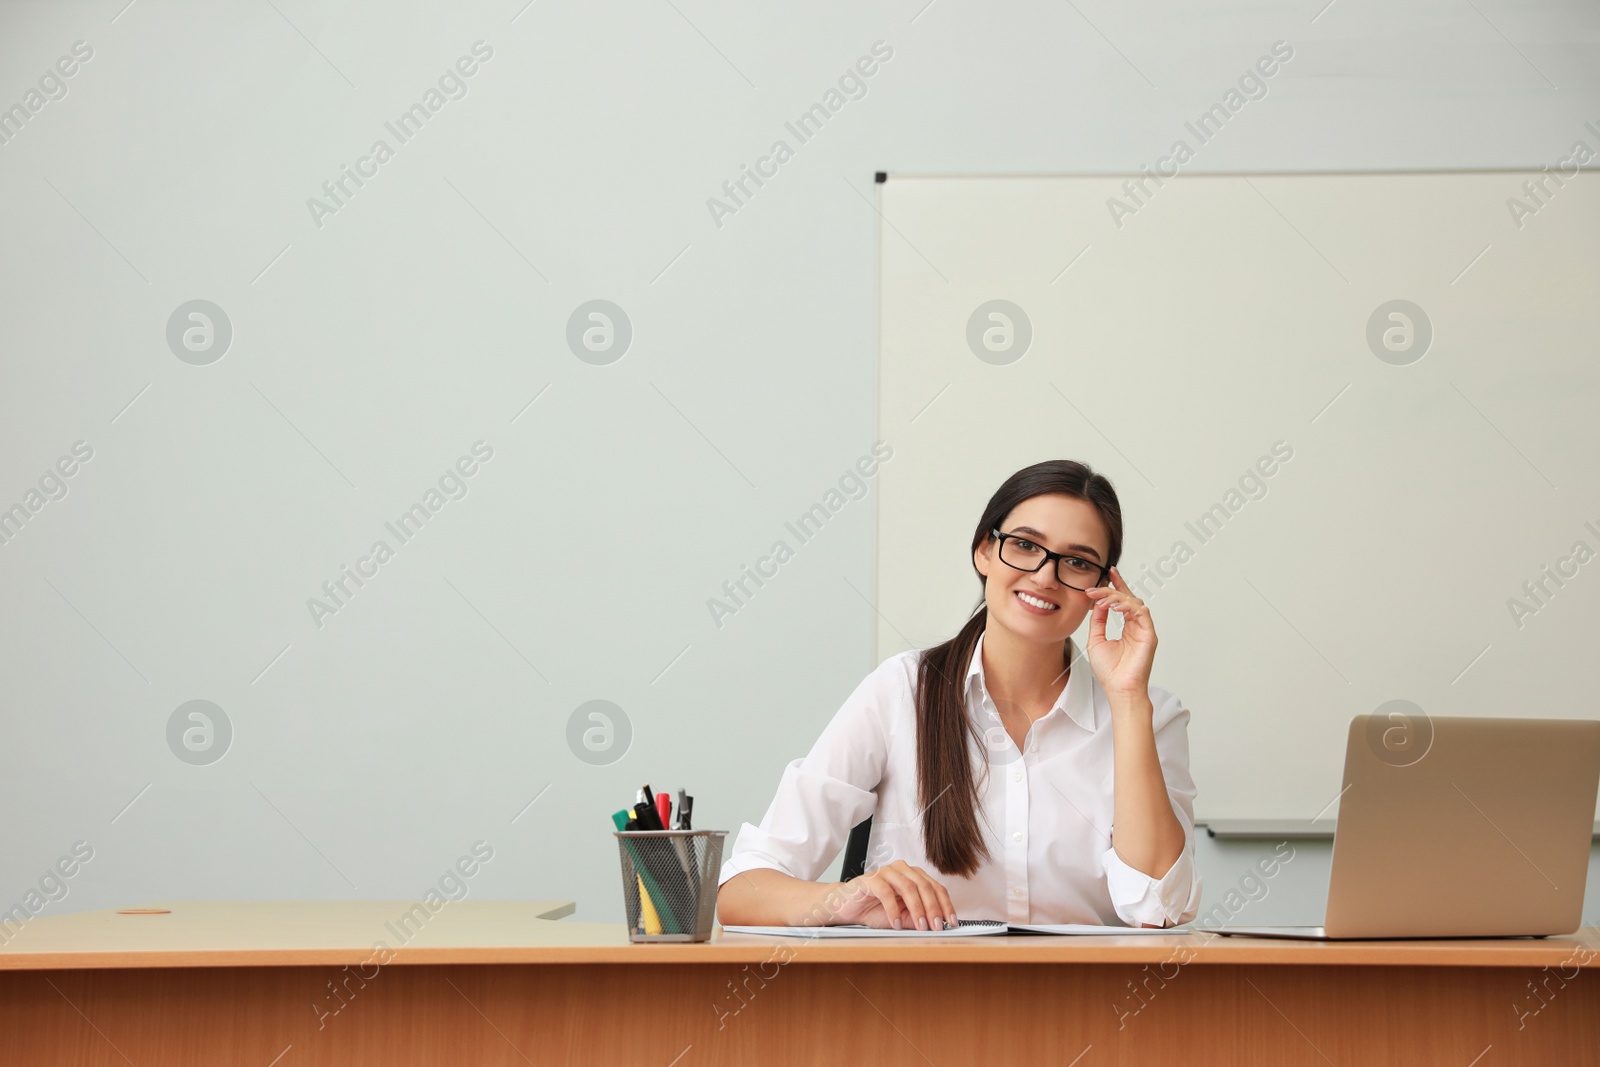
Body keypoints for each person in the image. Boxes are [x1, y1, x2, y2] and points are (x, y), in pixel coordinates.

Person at [715, 460, 1201, 930]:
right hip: (922, 1002)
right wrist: (843, 899)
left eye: (1077, 562)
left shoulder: (1148, 715)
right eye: (1026, 546)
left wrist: (1128, 698)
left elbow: (1158, 907)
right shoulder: (901, 691)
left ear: (1102, 586)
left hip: (1089, 1005)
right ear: (984, 552)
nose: (1046, 575)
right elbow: (742, 890)